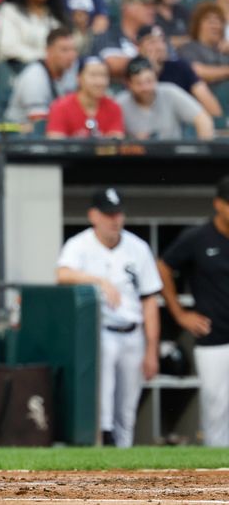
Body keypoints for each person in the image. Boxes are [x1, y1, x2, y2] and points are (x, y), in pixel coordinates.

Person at [57, 187, 161, 447]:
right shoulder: (79, 244)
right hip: (101, 332)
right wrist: (98, 280)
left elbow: (150, 300)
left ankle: (122, 459)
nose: (114, 219)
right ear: (94, 215)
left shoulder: (138, 248)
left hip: (132, 331)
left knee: (126, 407)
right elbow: (62, 274)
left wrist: (152, 350)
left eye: (117, 213)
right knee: (103, 400)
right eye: (108, 214)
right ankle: (101, 448)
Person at [157, 176, 229, 447]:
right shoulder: (198, 237)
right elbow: (163, 267)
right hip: (213, 336)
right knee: (216, 407)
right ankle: (217, 474)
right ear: (219, 205)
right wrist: (179, 314)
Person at [116, 56, 214, 140]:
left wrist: (203, 152)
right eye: (139, 83)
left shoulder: (170, 92)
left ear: (156, 78)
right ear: (129, 84)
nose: (145, 88)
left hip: (172, 155)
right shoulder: (120, 103)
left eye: (149, 81)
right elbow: (113, 136)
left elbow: (202, 119)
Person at [136, 24, 222, 117]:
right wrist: (151, 70)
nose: (159, 47)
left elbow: (212, 106)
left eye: (162, 41)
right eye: (152, 42)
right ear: (139, 48)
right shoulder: (134, 69)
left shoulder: (179, 67)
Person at [5, 27, 78, 125]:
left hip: (56, 132)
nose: (71, 55)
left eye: (73, 49)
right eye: (64, 50)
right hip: (21, 135)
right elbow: (39, 123)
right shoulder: (34, 77)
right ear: (48, 51)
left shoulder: (71, 70)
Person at [0, 0, 67, 65]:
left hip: (51, 72)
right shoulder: (9, 11)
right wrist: (47, 58)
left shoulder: (55, 17)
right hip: (15, 69)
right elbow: (7, 48)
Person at [91, 0, 157, 79]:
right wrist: (145, 58)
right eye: (146, 5)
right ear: (127, 7)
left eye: (153, 6)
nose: (152, 10)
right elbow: (113, 65)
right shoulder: (109, 35)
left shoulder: (155, 34)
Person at [47, 56, 124, 138]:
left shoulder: (113, 107)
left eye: (104, 75)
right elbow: (56, 145)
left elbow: (115, 144)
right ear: (79, 78)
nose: (100, 82)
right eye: (93, 75)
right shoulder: (60, 107)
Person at [177, 1, 229, 92]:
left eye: (219, 22)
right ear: (198, 25)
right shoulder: (189, 49)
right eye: (210, 22)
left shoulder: (225, 49)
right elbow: (197, 71)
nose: (216, 26)